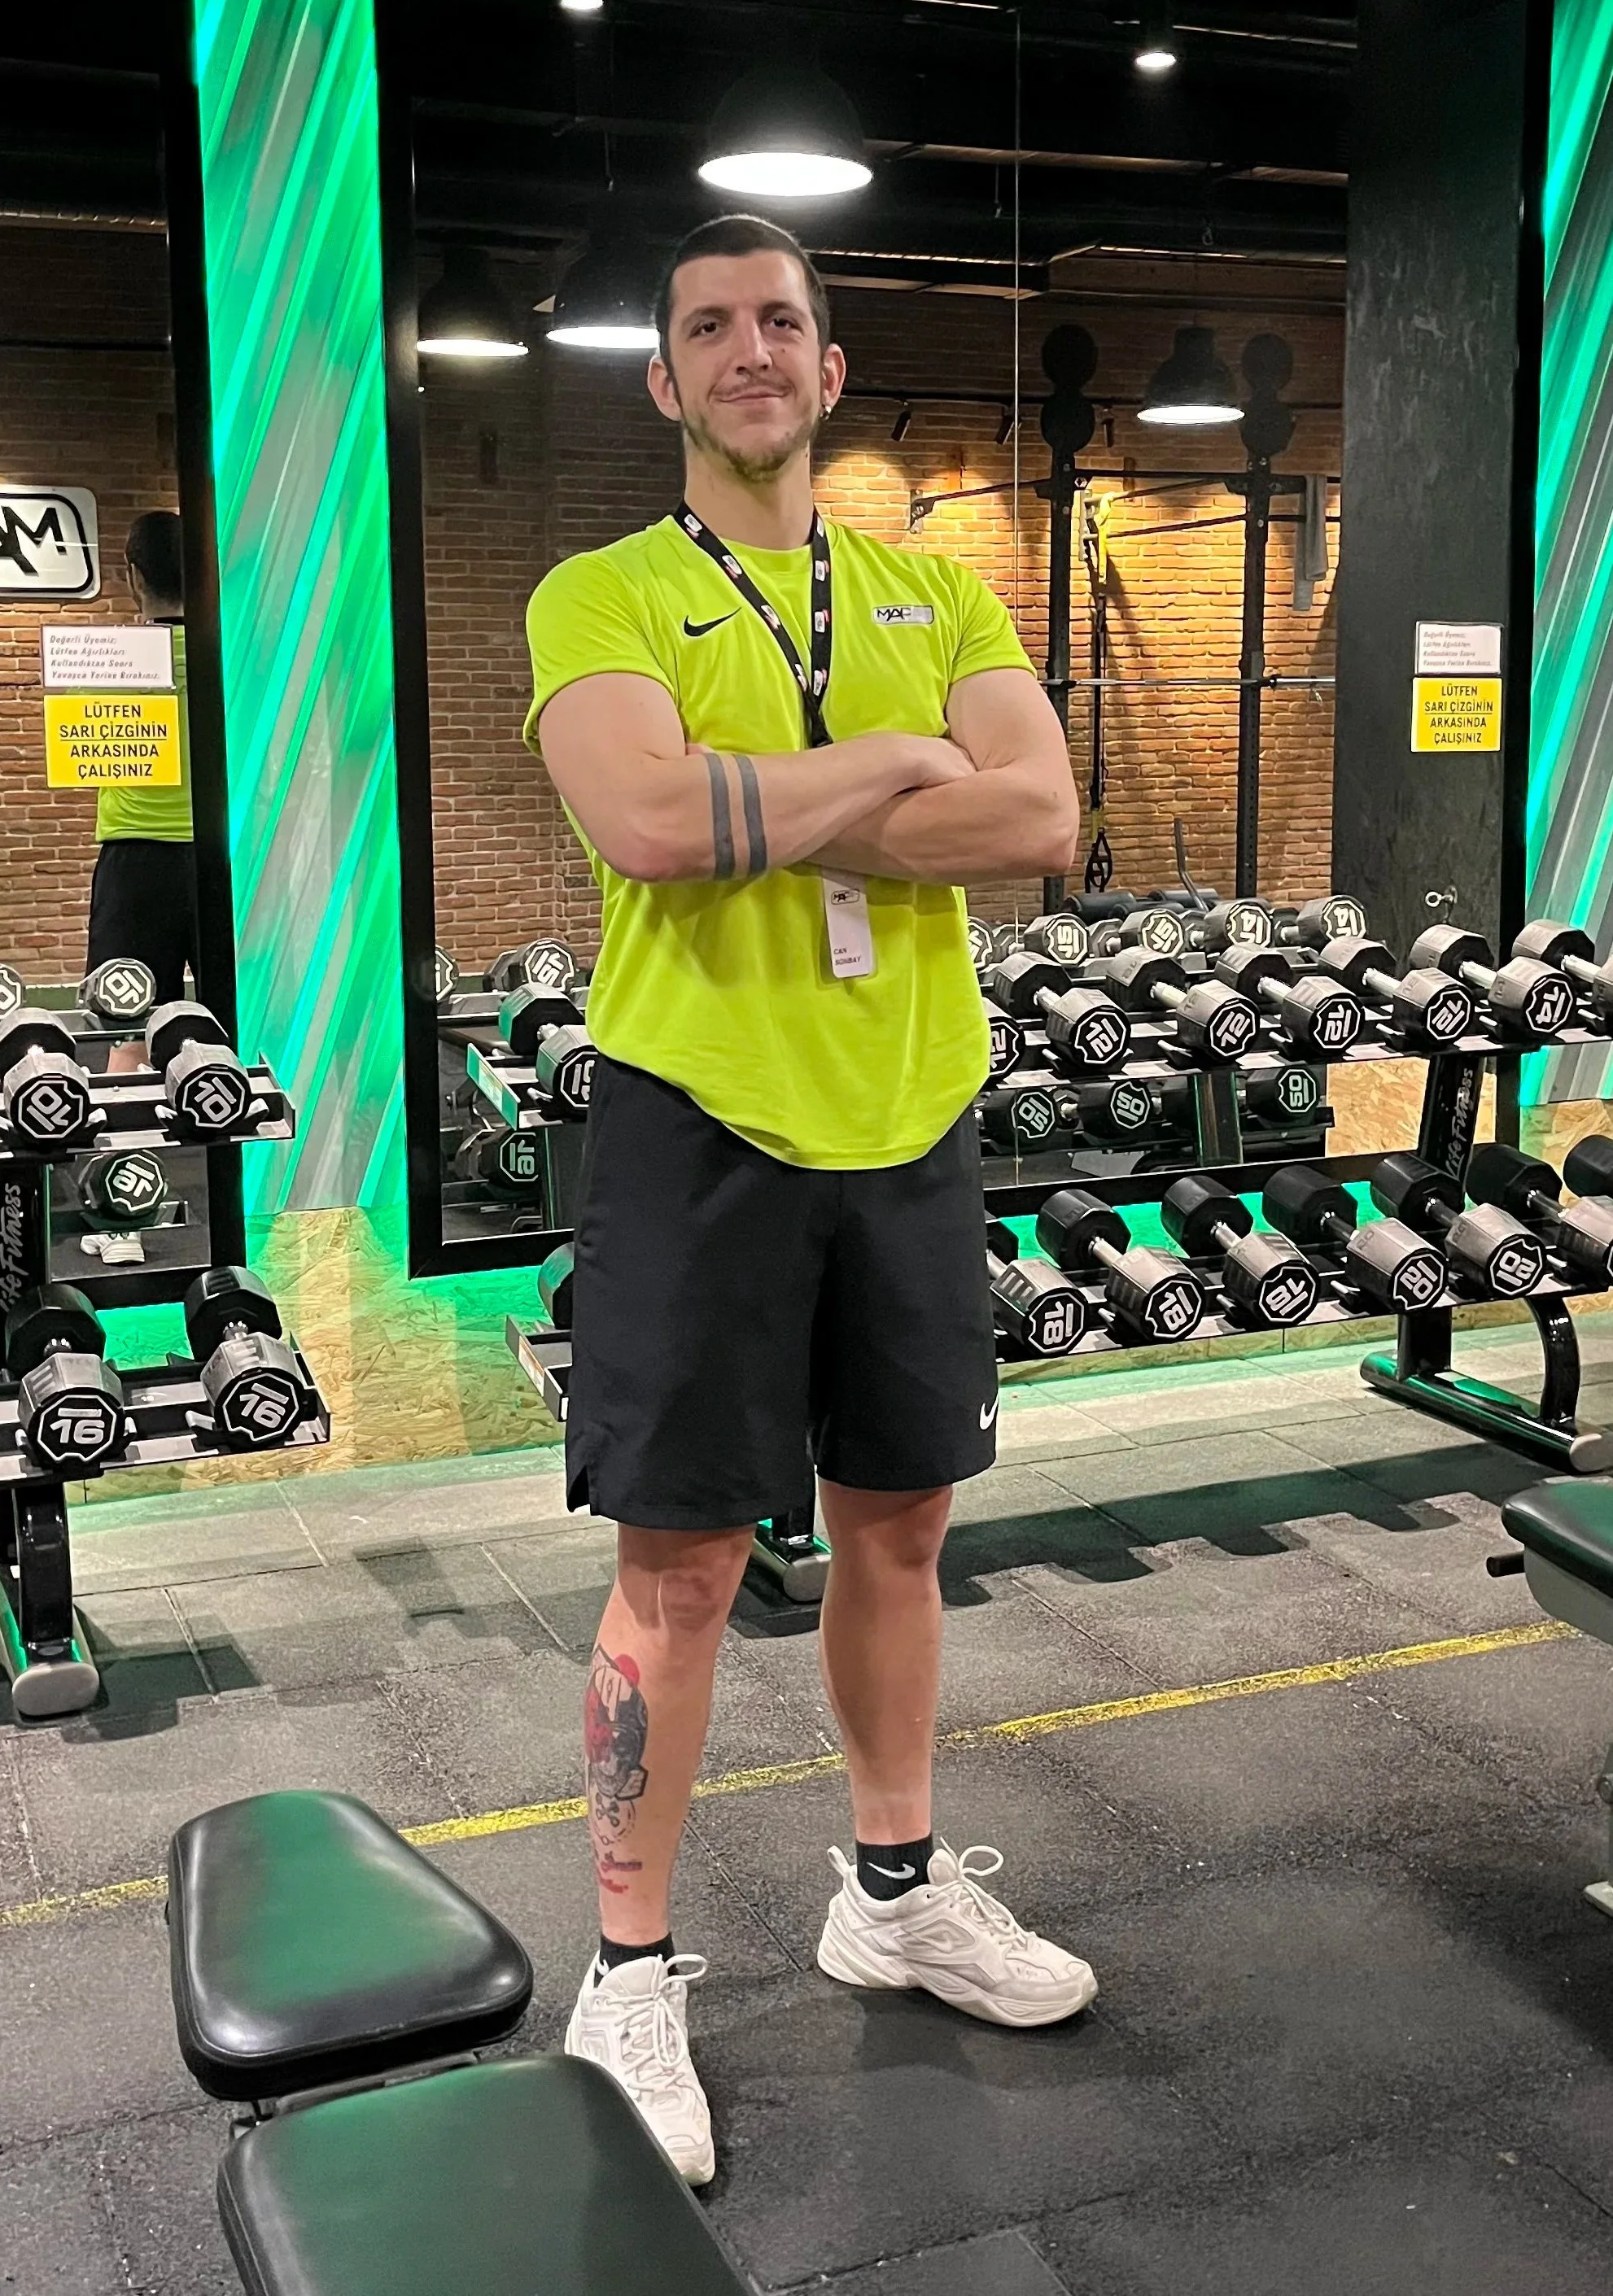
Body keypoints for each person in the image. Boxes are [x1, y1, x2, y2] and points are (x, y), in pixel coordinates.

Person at [524, 212, 1092, 2188]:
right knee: (678, 1572)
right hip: (701, 1119)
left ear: (830, 367)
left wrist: (776, 796)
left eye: (782, 319)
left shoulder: (937, 585)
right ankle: (625, 1967)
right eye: (710, 326)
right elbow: (643, 820)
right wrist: (892, 763)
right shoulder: (601, 592)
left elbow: (1041, 815)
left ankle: (896, 1888)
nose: (750, 349)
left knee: (901, 1528)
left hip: (911, 1104)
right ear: (664, 378)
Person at [86, 509, 196, 1067]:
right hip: (224, 862)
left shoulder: (110, 663)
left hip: (136, 863)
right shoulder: (232, 662)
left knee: (126, 1029)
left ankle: (124, 1127)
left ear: (133, 575)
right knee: (245, 1021)